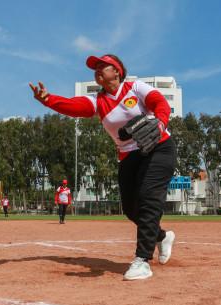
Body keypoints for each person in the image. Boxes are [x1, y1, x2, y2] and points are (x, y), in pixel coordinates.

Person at [29, 54, 176, 280]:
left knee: (148, 198)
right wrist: (48, 99)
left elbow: (159, 102)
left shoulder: (135, 88)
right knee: (130, 208)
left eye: (102, 66)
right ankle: (161, 236)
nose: (97, 70)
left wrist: (160, 121)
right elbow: (73, 106)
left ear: (117, 71)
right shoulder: (98, 101)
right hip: (128, 156)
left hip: (158, 147)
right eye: (94, 68)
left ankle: (142, 261)